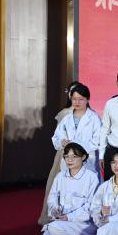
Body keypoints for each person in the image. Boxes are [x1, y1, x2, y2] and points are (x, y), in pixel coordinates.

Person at [31, 142, 99, 235]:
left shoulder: (92, 178)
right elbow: (52, 198)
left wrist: (68, 217)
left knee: (53, 227)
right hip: (61, 220)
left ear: (83, 157)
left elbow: (91, 207)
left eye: (74, 156)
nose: (69, 160)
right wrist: (54, 208)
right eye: (67, 156)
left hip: (82, 222)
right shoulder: (60, 176)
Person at [39, 81, 80, 225]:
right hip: (65, 155)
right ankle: (56, 216)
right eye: (72, 93)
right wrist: (63, 142)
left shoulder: (91, 115)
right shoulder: (64, 114)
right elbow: (57, 137)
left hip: (84, 155)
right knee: (59, 186)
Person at [51, 83, 101, 178]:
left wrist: (77, 147)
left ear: (87, 99)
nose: (77, 102)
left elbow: (98, 141)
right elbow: (56, 137)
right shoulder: (67, 118)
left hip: (87, 161)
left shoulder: (94, 118)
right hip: (68, 162)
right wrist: (61, 142)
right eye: (74, 99)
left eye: (81, 99)